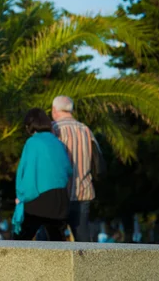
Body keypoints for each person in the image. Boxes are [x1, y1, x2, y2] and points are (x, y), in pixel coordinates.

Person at [12, 108, 72, 241]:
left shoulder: (32, 143)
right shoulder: (58, 142)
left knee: (18, 241)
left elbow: (25, 173)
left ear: (30, 125)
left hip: (39, 200)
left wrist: (21, 197)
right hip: (60, 200)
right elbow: (68, 170)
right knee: (57, 241)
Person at [51, 95, 101, 242]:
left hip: (59, 194)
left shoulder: (54, 129)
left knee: (51, 243)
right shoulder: (85, 129)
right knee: (83, 240)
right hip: (83, 192)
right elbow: (97, 160)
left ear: (54, 110)